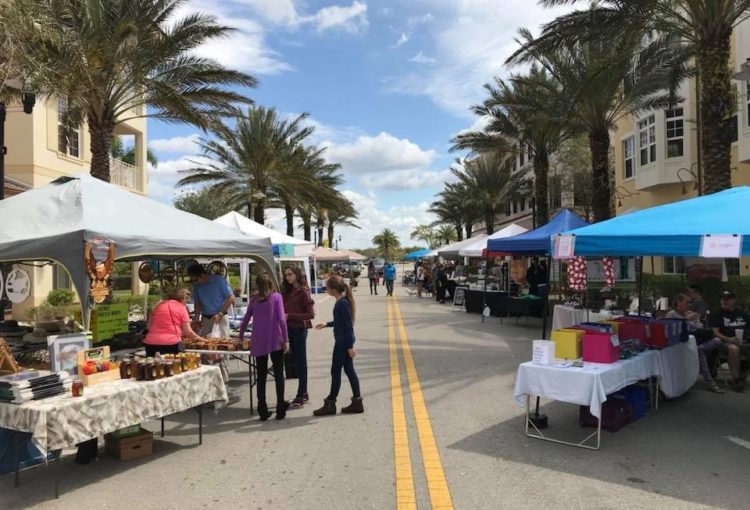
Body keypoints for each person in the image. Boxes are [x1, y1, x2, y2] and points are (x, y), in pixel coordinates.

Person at [239, 273, 289, 420]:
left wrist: (240, 338)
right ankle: (280, 408)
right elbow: (281, 319)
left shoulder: (254, 300)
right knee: (279, 374)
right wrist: (285, 339)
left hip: (258, 341)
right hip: (275, 339)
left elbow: (245, 320)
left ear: (257, 285)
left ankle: (262, 409)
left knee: (261, 376)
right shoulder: (277, 297)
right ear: (270, 284)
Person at [313, 275, 363, 415]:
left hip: (342, 344)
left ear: (333, 289)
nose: (326, 288)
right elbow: (341, 322)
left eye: (327, 286)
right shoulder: (341, 302)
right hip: (343, 342)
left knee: (336, 372)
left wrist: (349, 347)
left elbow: (348, 326)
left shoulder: (342, 303)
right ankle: (357, 402)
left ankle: (330, 403)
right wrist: (327, 324)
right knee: (349, 371)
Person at [667, 294, 723, 394]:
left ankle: (699, 352)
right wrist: (687, 320)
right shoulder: (672, 315)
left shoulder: (690, 313)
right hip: (681, 344)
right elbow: (672, 331)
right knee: (699, 351)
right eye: (687, 302)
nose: (689, 304)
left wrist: (695, 319)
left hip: (697, 341)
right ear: (678, 302)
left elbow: (700, 327)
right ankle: (710, 382)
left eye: (690, 302)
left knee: (716, 341)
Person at [188, 264, 234, 383]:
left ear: (202, 275)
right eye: (192, 280)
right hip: (206, 318)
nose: (194, 282)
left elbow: (231, 298)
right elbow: (197, 302)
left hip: (221, 317)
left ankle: (224, 378)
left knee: (222, 348)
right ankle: (209, 379)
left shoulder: (218, 281)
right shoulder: (197, 285)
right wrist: (196, 318)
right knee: (205, 348)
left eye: (195, 279)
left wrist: (220, 313)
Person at [282, 266, 315, 408]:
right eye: (286, 275)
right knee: (295, 361)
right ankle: (304, 392)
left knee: (301, 362)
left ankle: (301, 394)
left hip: (299, 330)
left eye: (290, 274)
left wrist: (290, 316)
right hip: (289, 330)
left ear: (296, 275)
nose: (287, 277)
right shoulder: (288, 291)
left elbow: (311, 314)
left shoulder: (303, 291)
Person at [144, 288, 204, 357]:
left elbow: (148, 326)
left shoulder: (158, 306)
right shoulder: (181, 308)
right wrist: (202, 339)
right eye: (186, 301)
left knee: (154, 367)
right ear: (183, 299)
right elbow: (188, 332)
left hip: (150, 343)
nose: (186, 303)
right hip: (171, 344)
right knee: (175, 366)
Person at [709, 291, 750, 392]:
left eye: (728, 299)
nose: (724, 301)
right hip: (723, 342)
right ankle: (736, 379)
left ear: (734, 300)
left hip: (743, 341)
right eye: (723, 299)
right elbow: (715, 332)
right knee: (734, 348)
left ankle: (742, 374)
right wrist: (729, 339)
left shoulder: (742, 314)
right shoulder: (716, 314)